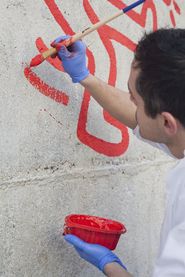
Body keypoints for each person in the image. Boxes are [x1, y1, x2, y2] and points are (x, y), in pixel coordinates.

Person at [52, 28, 185, 276]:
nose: (132, 103)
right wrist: (84, 76)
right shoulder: (176, 127)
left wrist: (110, 266)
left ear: (168, 123)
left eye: (135, 98)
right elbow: (140, 119)